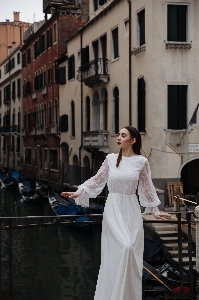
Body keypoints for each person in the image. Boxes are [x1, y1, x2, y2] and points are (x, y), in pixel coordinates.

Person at [61, 126, 170, 300]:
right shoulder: (111, 159)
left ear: (133, 140)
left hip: (131, 210)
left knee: (131, 252)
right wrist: (78, 192)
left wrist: (155, 211)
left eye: (123, 135)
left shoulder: (142, 162)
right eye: (118, 135)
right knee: (124, 248)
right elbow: (97, 181)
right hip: (113, 208)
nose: (118, 138)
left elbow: (147, 188)